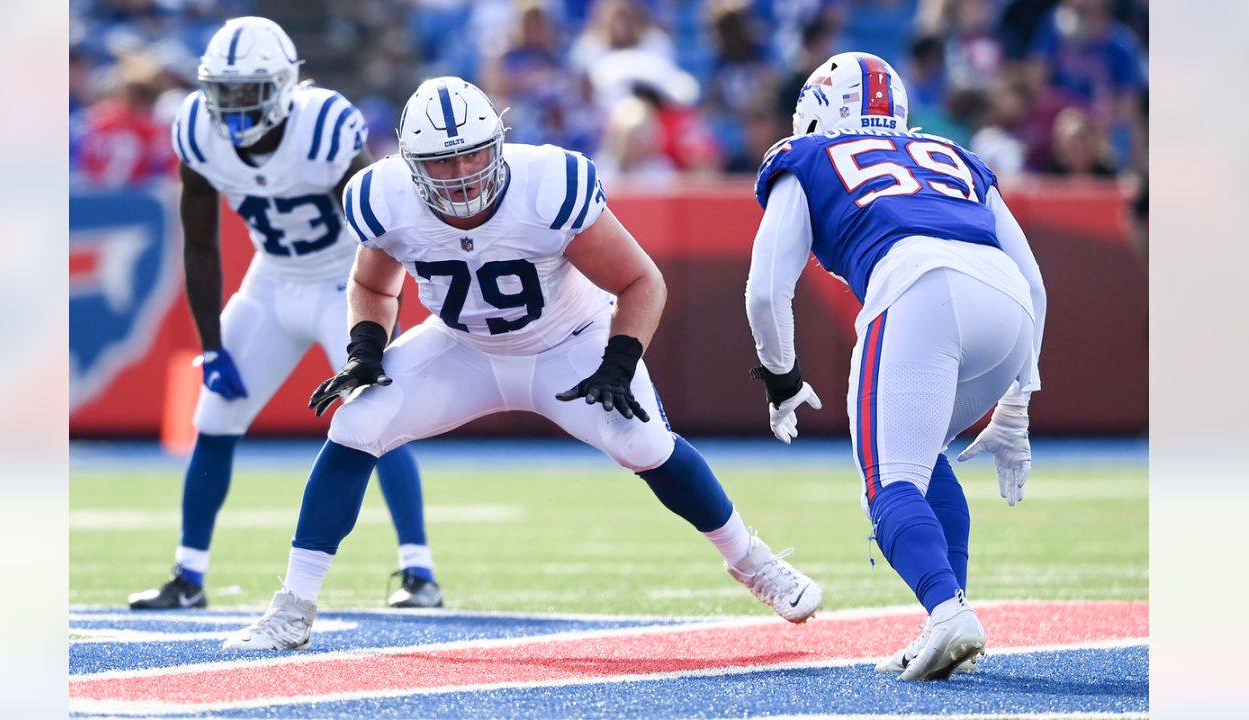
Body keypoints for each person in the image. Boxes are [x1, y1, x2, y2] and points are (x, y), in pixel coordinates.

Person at [223, 77, 822, 651]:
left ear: (499, 145)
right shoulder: (384, 199)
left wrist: (617, 361)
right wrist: (365, 351)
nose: (461, 174)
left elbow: (642, 281)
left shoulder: (548, 185)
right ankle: (294, 607)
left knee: (644, 443)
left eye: (473, 156)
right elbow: (374, 287)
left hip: (571, 342)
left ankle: (752, 561)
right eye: (441, 162)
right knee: (354, 425)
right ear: (409, 165)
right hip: (463, 348)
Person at [744, 52, 1045, 680]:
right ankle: (947, 608)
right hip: (1008, 303)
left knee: (887, 482)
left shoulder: (803, 157)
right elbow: (1035, 282)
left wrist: (782, 377)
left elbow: (767, 290)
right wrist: (1019, 398)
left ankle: (946, 612)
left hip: (918, 288)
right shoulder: (954, 154)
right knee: (924, 455)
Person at [127, 17, 443, 612]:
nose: (235, 105)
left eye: (249, 90)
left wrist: (379, 313)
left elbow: (375, 226)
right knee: (214, 412)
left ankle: (418, 572)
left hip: (341, 281)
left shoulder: (325, 126)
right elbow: (199, 243)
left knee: (377, 415)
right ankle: (188, 576)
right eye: (225, 91)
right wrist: (212, 344)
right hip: (272, 280)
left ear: (282, 85)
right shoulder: (198, 130)